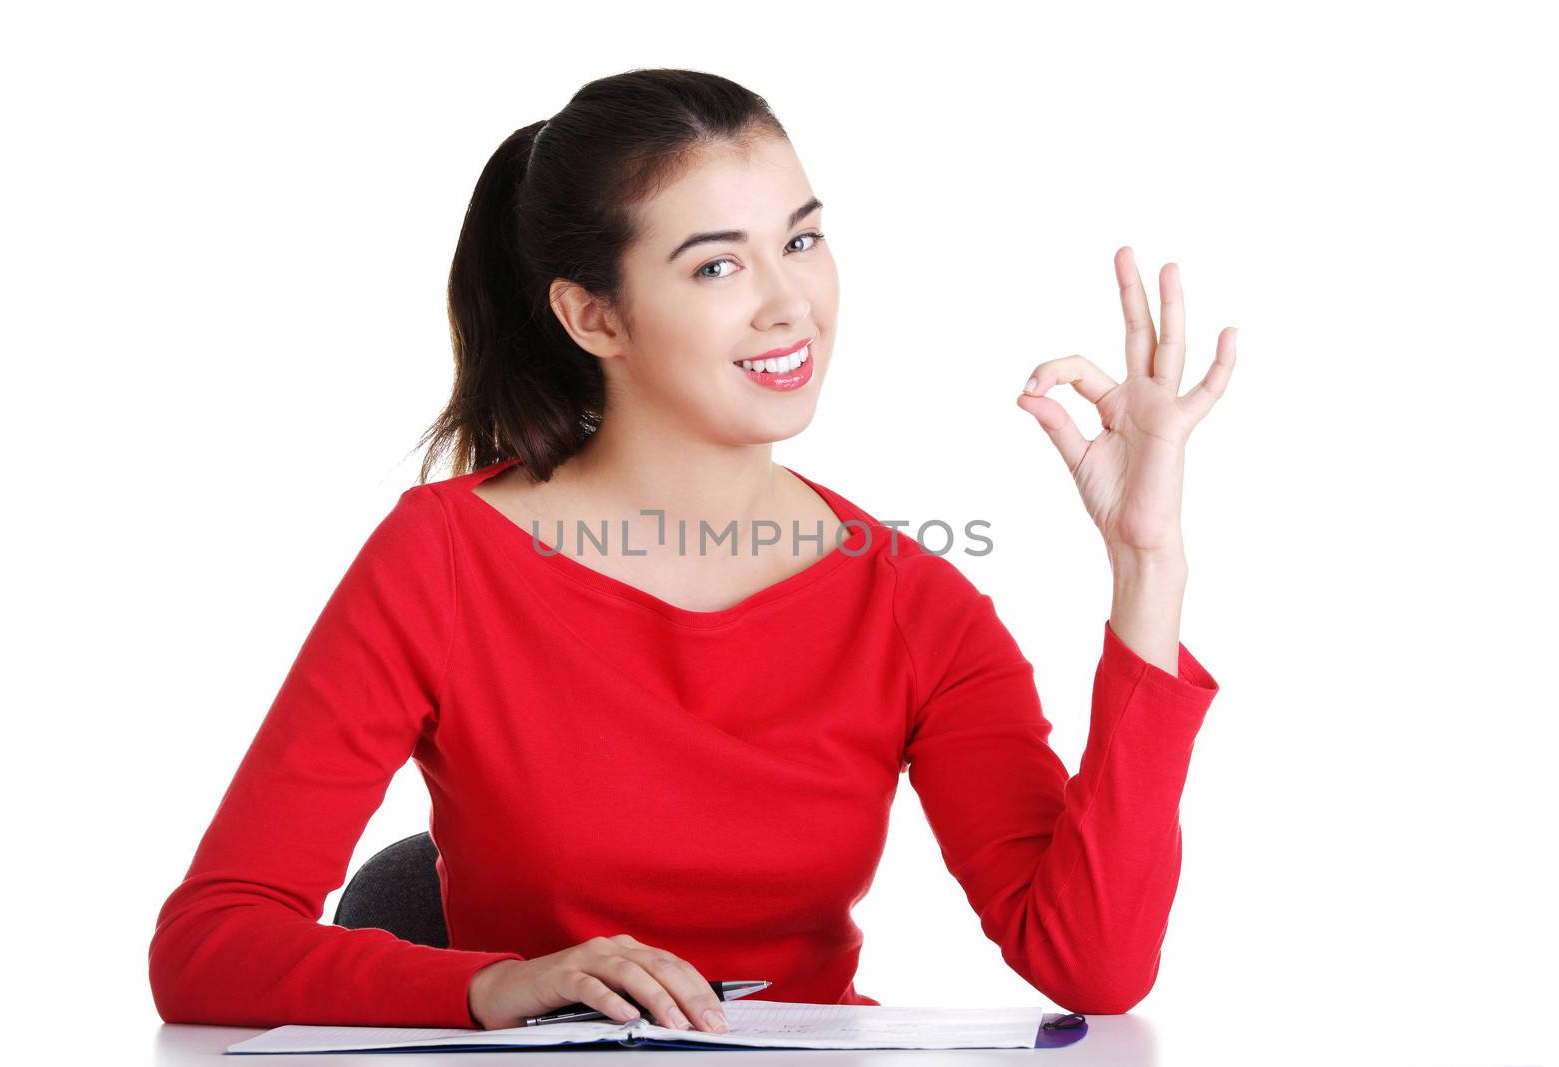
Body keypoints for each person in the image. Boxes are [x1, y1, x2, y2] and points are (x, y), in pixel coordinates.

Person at [148, 68, 1235, 1035]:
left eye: (801, 240)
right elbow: (209, 942)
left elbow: (1092, 964)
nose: (789, 302)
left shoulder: (916, 605)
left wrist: (1148, 567)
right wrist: (490, 984)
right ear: (593, 317)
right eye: (718, 266)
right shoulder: (440, 559)